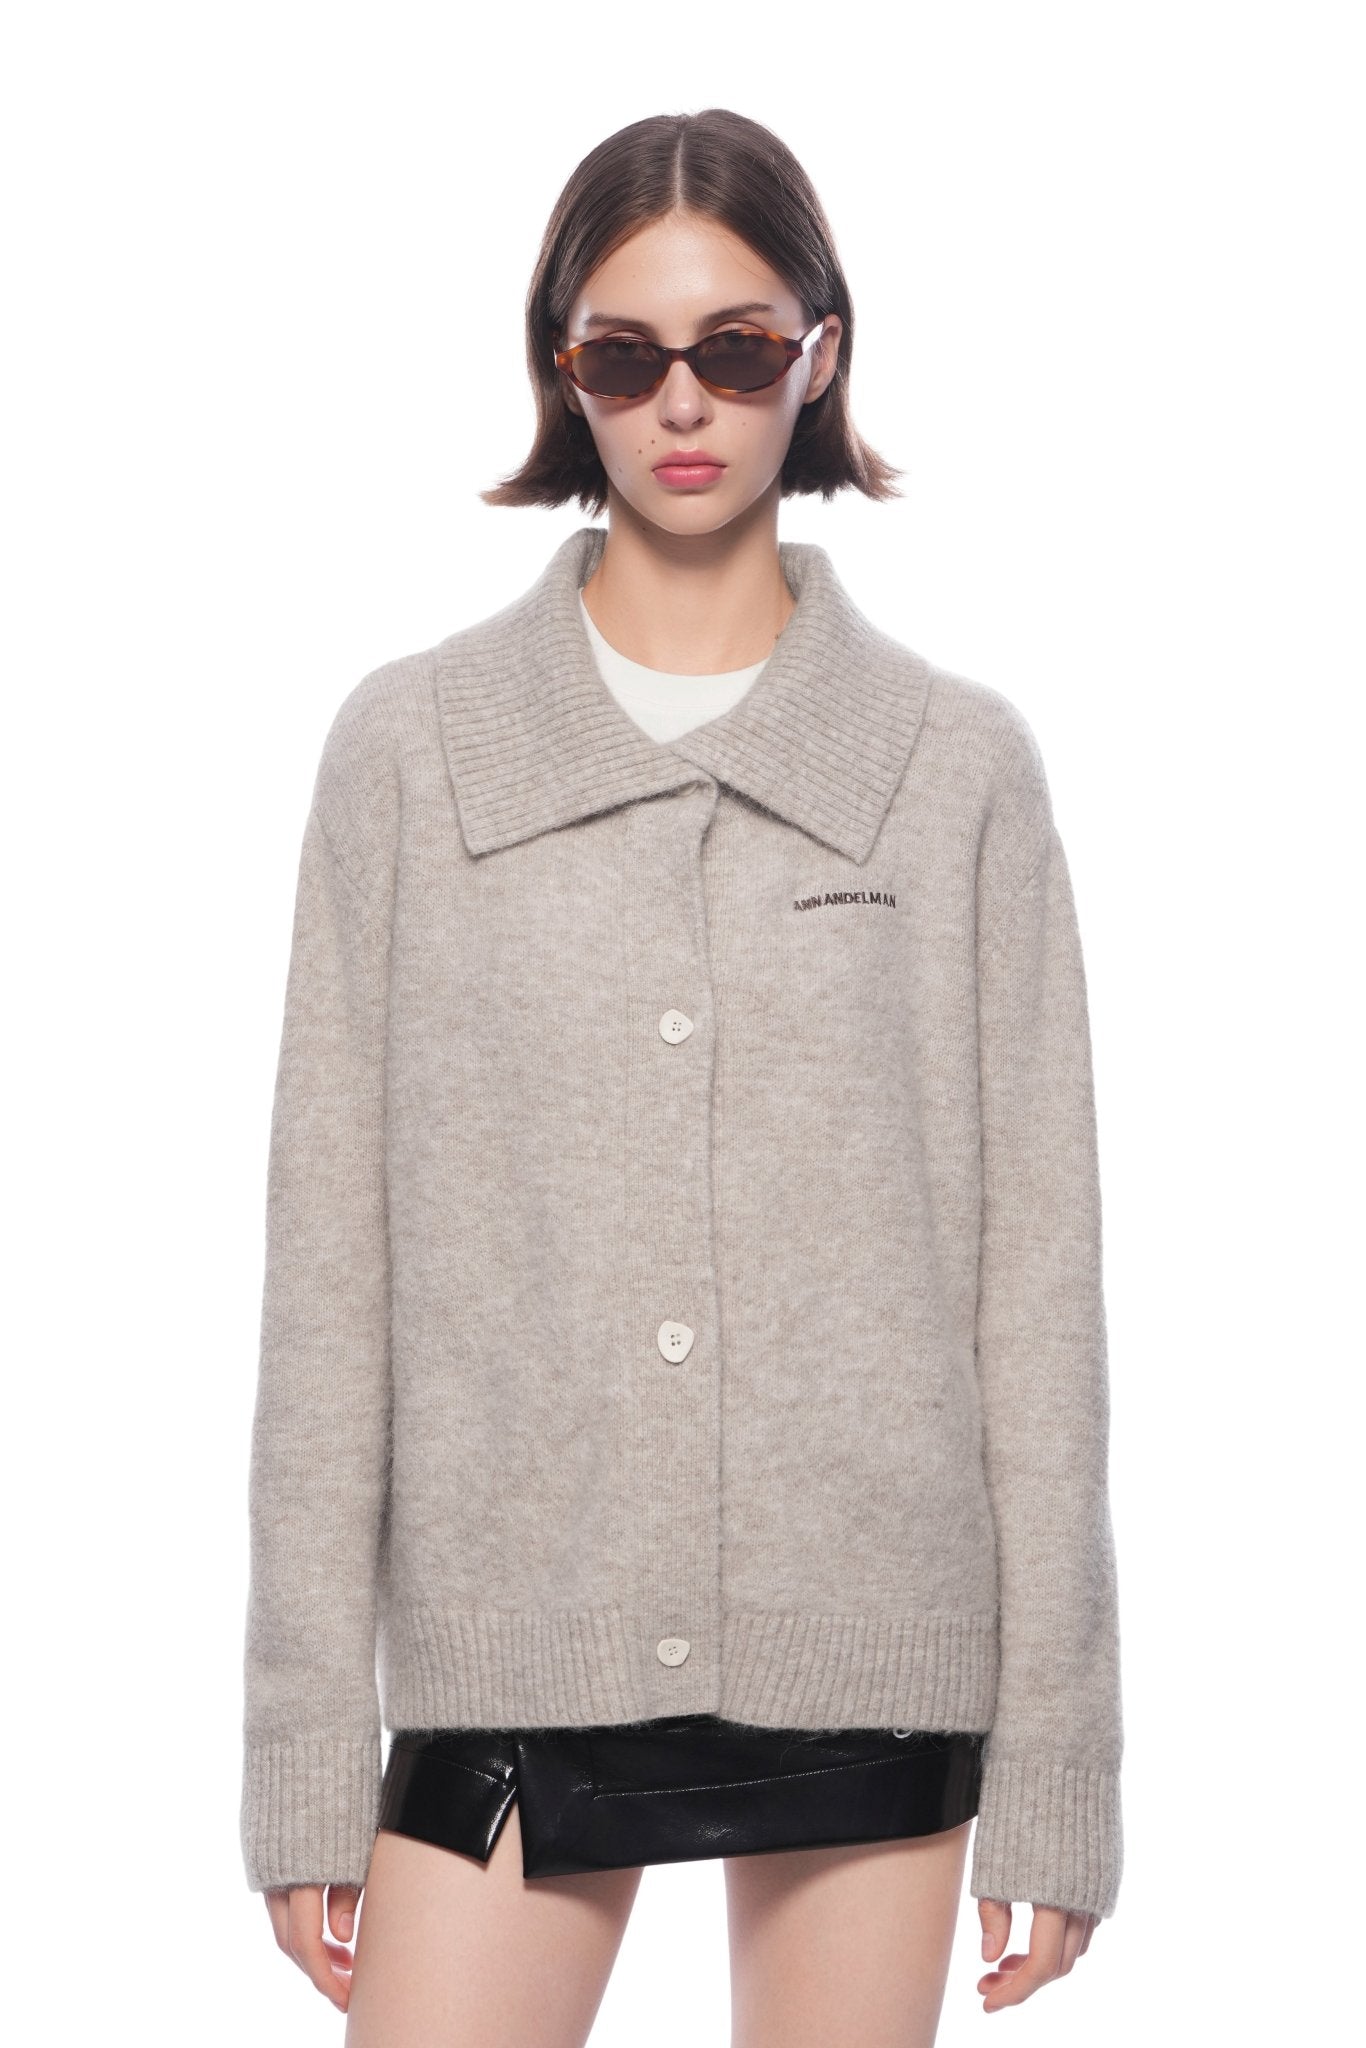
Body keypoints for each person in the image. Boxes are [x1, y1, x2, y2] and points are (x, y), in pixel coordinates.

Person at [240, 108, 1124, 2045]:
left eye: (735, 346)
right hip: (509, 1631)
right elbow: (327, 1288)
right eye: (622, 354)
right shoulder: (412, 753)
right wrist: (304, 1749)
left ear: (819, 353)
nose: (682, 404)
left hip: (871, 1638)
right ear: (559, 369)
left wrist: (1059, 1760)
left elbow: (1034, 1297)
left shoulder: (953, 768)